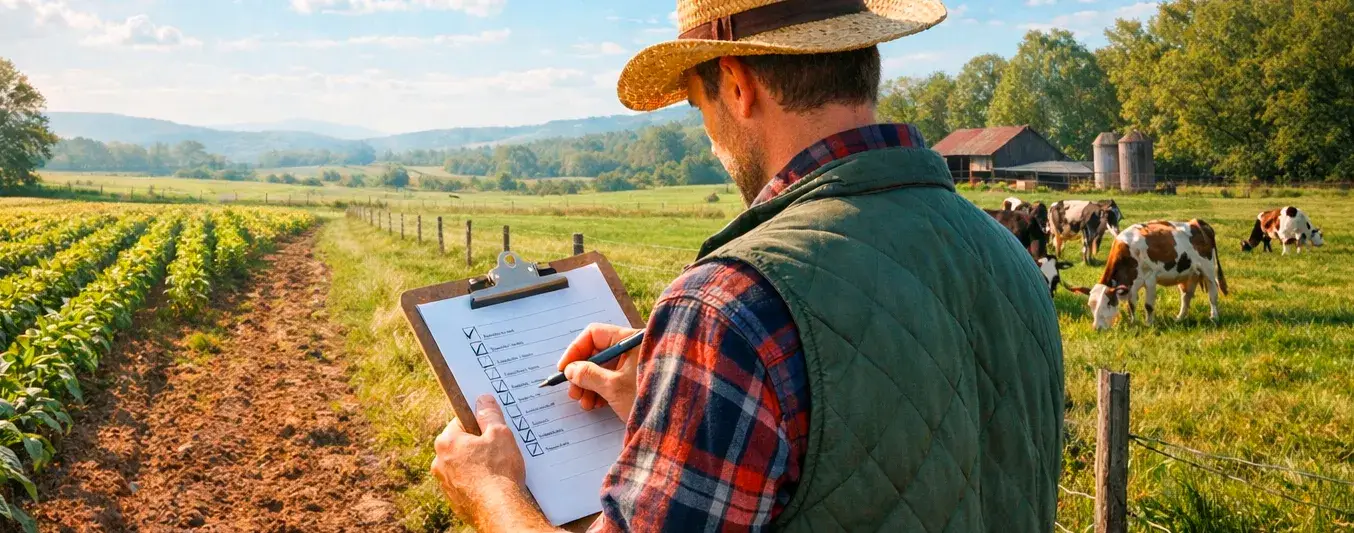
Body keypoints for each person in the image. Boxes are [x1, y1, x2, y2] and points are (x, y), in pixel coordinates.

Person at [430, 1, 1066, 531]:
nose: (709, 134)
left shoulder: (730, 304)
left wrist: (489, 491)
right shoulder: (1003, 252)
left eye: (698, 106)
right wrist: (676, 413)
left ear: (736, 86)